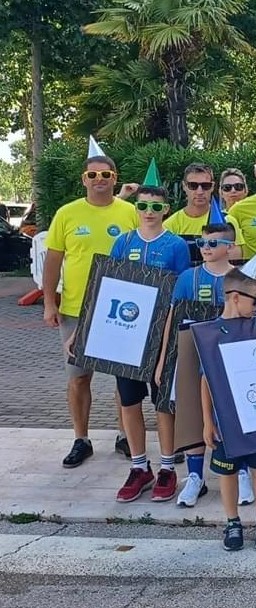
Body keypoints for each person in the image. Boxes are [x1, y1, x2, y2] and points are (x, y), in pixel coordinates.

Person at [43, 150, 138, 468]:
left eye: (106, 174)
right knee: (79, 378)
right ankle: (81, 439)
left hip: (120, 310)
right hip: (76, 309)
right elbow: (53, 261)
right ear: (84, 179)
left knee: (123, 378)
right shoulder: (67, 214)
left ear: (115, 178)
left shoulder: (130, 213)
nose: (100, 179)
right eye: (93, 175)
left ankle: (125, 435)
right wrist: (49, 303)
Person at [104, 169, 192, 503]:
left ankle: (168, 466)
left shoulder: (176, 245)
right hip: (126, 335)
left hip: (161, 335)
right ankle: (140, 467)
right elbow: (108, 286)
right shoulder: (123, 242)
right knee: (129, 401)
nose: (149, 212)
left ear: (166, 209)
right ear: (136, 207)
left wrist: (172, 335)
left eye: (156, 207)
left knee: (163, 403)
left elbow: (181, 293)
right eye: (142, 206)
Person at [155, 222, 255, 508]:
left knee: (234, 413)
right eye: (202, 243)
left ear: (230, 247)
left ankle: (242, 471)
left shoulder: (242, 278)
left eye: (213, 243)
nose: (206, 249)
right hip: (193, 352)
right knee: (193, 413)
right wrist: (163, 361)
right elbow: (173, 318)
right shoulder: (188, 277)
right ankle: (195, 477)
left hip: (229, 352)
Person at [202, 262, 256, 551]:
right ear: (235, 297)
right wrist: (208, 422)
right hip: (226, 418)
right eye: (255, 300)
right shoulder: (211, 333)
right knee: (227, 472)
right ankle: (232, 522)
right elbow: (206, 380)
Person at [163, 163, 245, 259]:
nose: (200, 191)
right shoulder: (169, 225)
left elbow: (235, 261)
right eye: (193, 185)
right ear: (184, 186)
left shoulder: (227, 221)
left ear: (212, 186)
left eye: (205, 186)